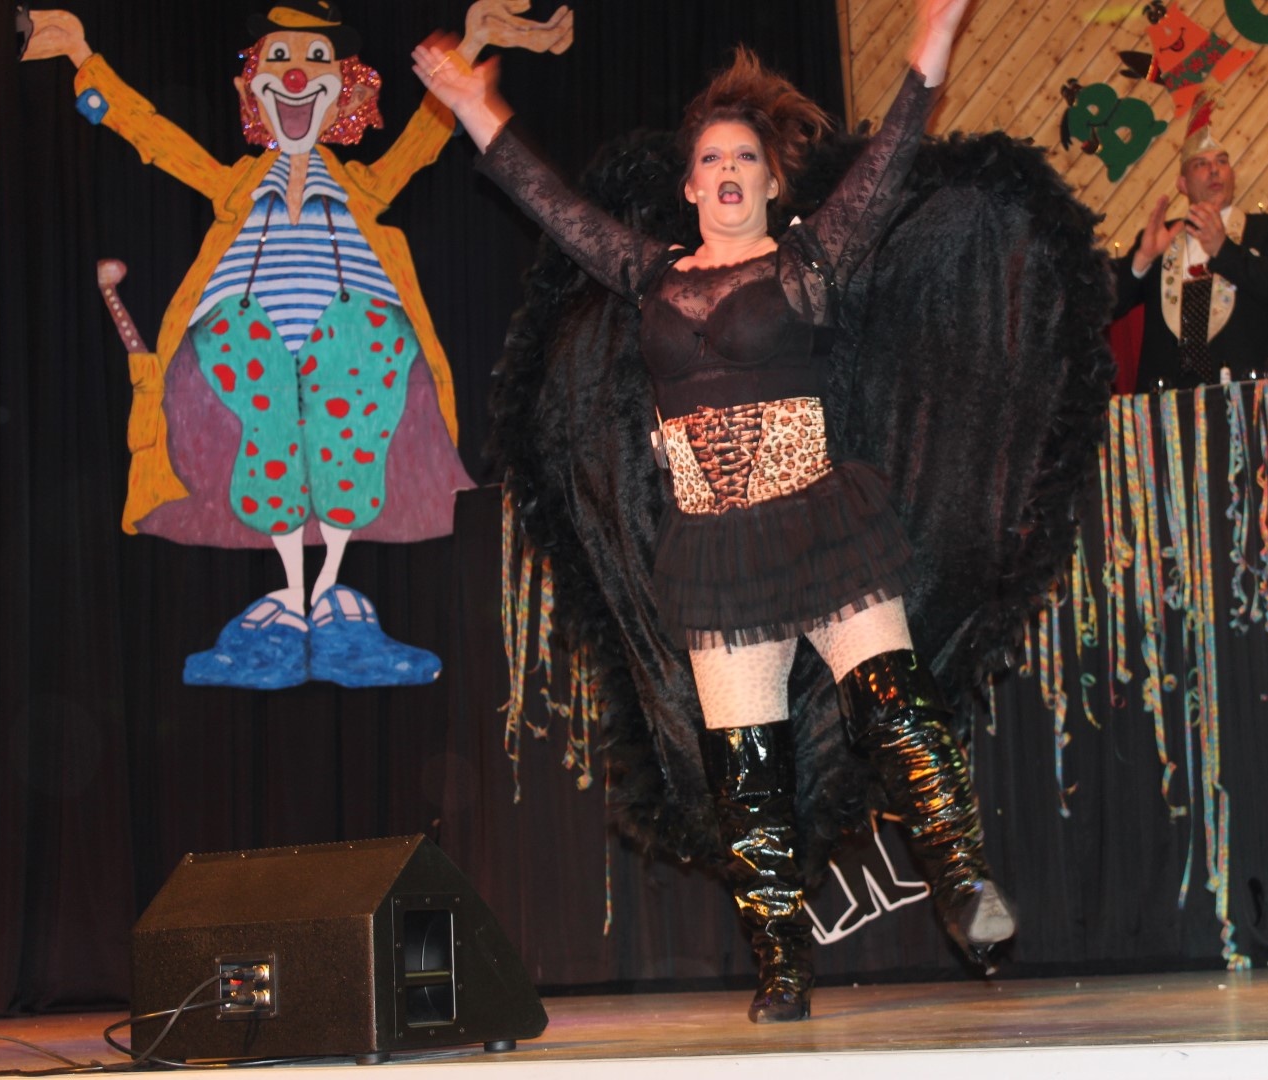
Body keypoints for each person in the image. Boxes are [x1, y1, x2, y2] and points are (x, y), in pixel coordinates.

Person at [414, 0, 1019, 1024]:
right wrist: (476, 107)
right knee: (747, 769)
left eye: (746, 157)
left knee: (896, 708)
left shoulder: (809, 262)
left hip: (819, 526)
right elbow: (551, 206)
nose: (728, 170)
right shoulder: (647, 274)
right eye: (711, 159)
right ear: (690, 186)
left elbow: (893, 156)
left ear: (772, 182)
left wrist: (935, 33)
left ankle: (962, 882)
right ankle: (781, 961)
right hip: (717, 553)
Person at [18, 1, 570, 688]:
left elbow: (426, 138)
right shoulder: (236, 187)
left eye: (316, 62)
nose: (297, 76)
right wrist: (81, 58)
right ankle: (290, 602)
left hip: (355, 330)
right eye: (278, 60)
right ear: (253, 87)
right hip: (244, 330)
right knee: (271, 426)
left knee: (351, 400)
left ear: (343, 91)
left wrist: (476, 37)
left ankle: (325, 599)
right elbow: (153, 137)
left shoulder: (361, 187)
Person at [1115, 92, 1268, 391]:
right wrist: (1142, 260)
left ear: (1232, 175)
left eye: (1222, 162)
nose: (1214, 170)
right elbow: (1106, 306)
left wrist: (1223, 250)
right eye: (1200, 164)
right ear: (1182, 184)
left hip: (1246, 399)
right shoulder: (1162, 237)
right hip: (1169, 404)